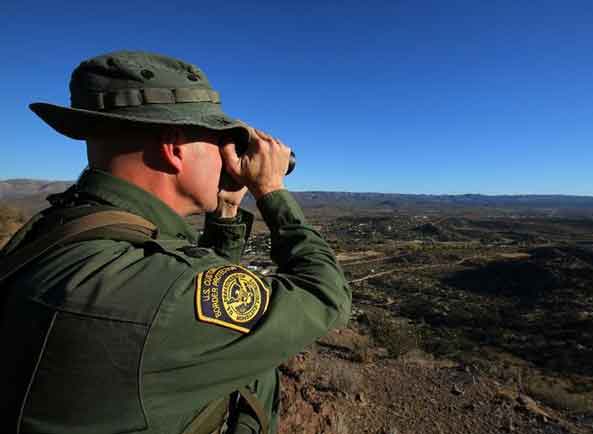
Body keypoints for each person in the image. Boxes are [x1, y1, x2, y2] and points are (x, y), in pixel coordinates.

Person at [0, 51, 351, 434]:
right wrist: (271, 191)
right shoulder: (152, 287)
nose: (227, 158)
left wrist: (226, 214)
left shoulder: (61, 229)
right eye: (220, 139)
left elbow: (191, 288)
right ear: (174, 146)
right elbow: (327, 296)